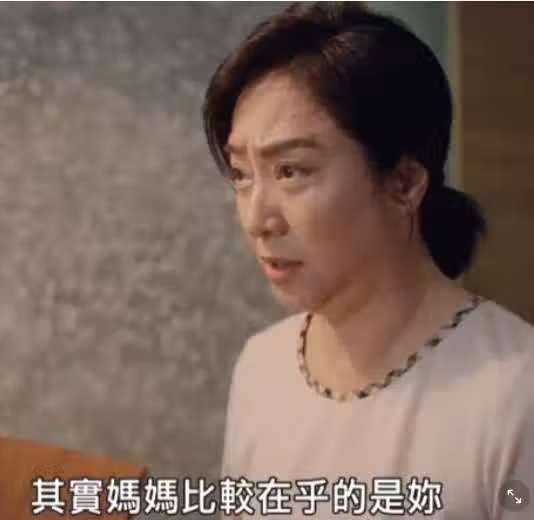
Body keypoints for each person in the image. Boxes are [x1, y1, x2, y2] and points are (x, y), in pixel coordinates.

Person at [202, 2, 534, 519]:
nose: (256, 218)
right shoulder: (262, 366)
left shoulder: (515, 391)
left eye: (290, 171)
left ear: (405, 181)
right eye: (243, 175)